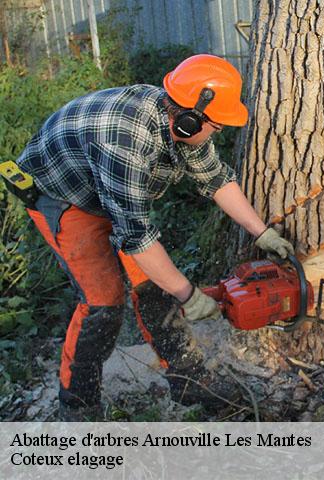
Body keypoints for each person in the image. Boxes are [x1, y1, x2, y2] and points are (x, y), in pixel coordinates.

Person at [8, 54, 294, 421]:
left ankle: (190, 382)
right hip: (64, 196)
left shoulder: (185, 122)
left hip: (111, 191)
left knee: (155, 289)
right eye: (217, 127)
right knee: (103, 303)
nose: (218, 133)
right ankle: (78, 410)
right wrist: (189, 295)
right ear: (192, 119)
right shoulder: (126, 138)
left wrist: (262, 232)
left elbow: (217, 179)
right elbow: (137, 237)